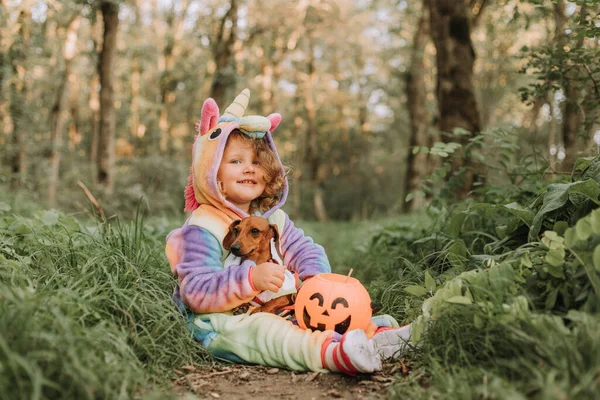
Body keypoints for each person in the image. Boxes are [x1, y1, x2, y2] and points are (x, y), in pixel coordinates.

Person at [165, 89, 412, 375]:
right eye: (235, 161)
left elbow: (305, 250)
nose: (249, 169)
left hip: (273, 304)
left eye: (257, 162)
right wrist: (250, 279)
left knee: (311, 314)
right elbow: (196, 290)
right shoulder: (203, 225)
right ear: (210, 172)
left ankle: (375, 334)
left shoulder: (274, 219)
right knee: (267, 332)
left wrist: (314, 282)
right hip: (220, 321)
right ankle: (332, 353)